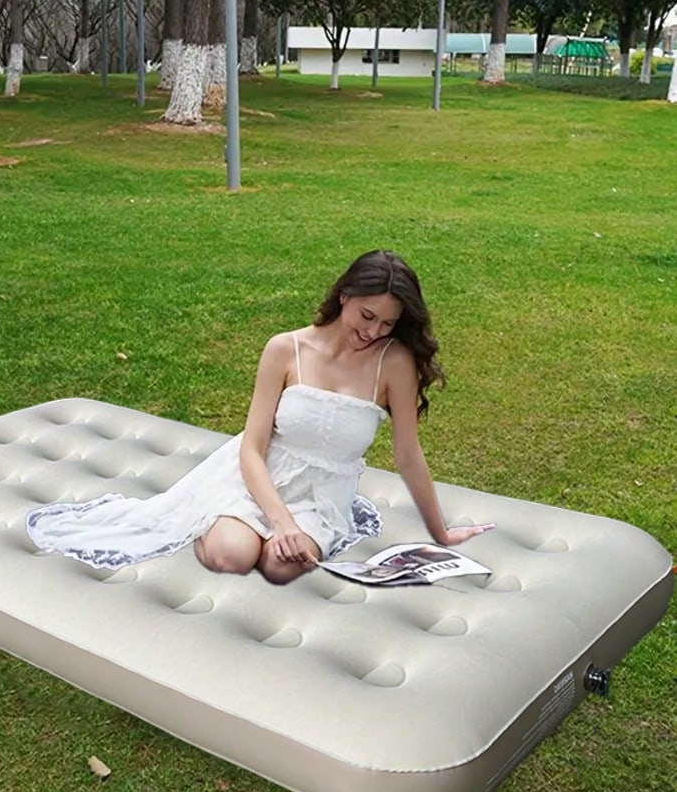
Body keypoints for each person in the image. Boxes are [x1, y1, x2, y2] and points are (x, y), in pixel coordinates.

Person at [26, 250, 494, 585]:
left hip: (321, 498)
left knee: (280, 565)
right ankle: (210, 520)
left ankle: (269, 534)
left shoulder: (394, 362)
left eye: (387, 323)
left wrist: (441, 532)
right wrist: (280, 521)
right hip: (257, 479)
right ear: (345, 295)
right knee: (231, 556)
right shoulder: (285, 349)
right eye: (367, 315)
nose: (373, 331)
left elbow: (408, 455)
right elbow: (252, 448)